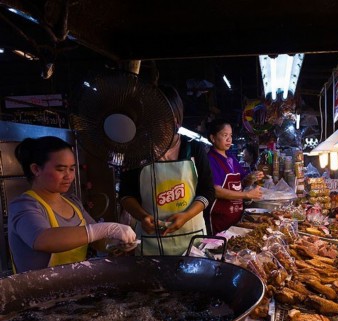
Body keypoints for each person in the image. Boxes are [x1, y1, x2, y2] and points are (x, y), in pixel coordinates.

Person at [8, 136, 136, 273]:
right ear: (36, 169)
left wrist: (115, 244)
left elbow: (97, 240)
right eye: (61, 169)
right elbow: (43, 239)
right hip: (39, 292)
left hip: (73, 289)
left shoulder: (73, 202)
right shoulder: (23, 205)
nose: (68, 176)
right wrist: (106, 228)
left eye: (72, 169)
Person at [119, 85, 215, 255]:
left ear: (177, 119)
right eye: (152, 120)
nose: (158, 127)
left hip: (192, 243)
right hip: (151, 244)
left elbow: (207, 191)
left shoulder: (193, 149)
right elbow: (126, 195)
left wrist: (186, 215)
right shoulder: (136, 152)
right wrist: (142, 216)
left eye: (165, 120)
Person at [205, 120, 263, 234]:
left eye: (230, 135)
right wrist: (246, 195)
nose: (229, 139)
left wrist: (251, 177)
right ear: (213, 138)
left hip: (236, 218)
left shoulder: (231, 159)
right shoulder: (210, 160)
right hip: (219, 221)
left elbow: (242, 181)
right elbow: (215, 190)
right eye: (224, 135)